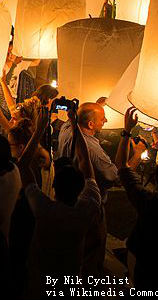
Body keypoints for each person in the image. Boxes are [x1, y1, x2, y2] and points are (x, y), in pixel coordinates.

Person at [18, 105, 101, 297]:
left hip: (40, 282)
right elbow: (85, 162)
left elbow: (22, 165)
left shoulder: (44, 209)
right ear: (81, 188)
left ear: (54, 187)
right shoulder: (87, 207)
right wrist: (74, 123)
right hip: (71, 281)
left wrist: (39, 129)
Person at [116, 107, 158, 292]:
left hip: (144, 264)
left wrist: (126, 132)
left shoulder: (146, 200)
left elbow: (122, 168)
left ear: (155, 178)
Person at [56, 102, 117, 275]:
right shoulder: (93, 150)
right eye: (102, 118)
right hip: (88, 205)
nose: (105, 120)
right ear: (90, 124)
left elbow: (73, 121)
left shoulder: (66, 129)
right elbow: (112, 175)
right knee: (91, 252)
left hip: (67, 200)